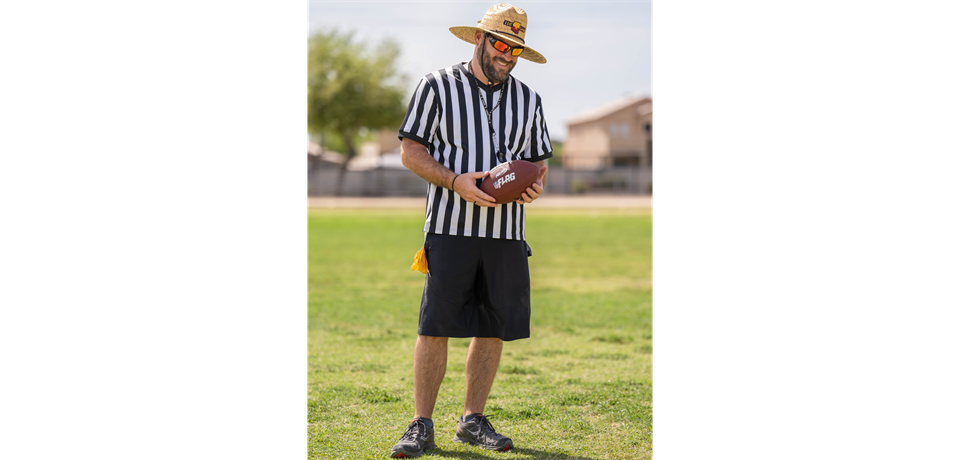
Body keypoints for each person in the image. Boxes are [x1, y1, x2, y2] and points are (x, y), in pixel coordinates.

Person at [390, 3, 552, 458]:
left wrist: (535, 185)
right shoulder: (436, 86)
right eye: (501, 44)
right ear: (479, 39)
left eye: (516, 49)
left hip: (506, 233)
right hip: (449, 227)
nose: (508, 55)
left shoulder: (529, 99)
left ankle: (472, 420)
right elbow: (410, 151)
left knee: (493, 326)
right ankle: (421, 423)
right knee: (435, 325)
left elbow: (537, 162)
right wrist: (457, 180)